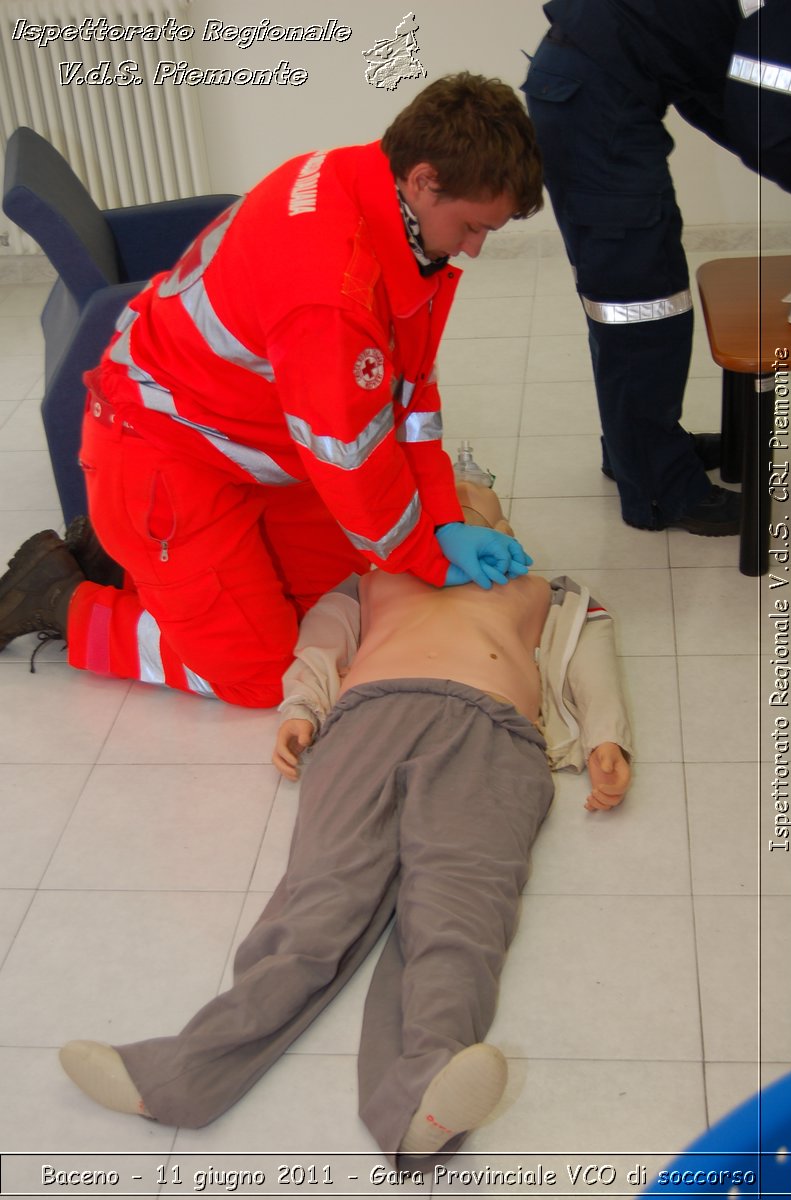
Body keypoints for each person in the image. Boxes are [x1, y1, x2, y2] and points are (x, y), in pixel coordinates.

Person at [57, 480, 632, 1169]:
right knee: (320, 897)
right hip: (368, 718)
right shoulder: (370, 578)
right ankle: (174, 1076)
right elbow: (321, 646)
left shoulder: (547, 590)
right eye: (446, 500)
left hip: (492, 732)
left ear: (504, 520)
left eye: (476, 500)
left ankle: (426, 1091)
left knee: (461, 906)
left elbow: (592, 659)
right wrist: (300, 708)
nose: (463, 506)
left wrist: (607, 737)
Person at [0, 72, 542, 706]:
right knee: (260, 675)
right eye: (474, 227)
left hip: (243, 445)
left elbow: (409, 399)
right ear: (423, 179)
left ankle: (140, 563)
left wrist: (443, 519)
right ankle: (63, 599)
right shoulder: (332, 292)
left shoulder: (376, 197)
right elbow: (352, 459)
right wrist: (425, 548)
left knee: (348, 584)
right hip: (161, 457)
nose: (474, 249)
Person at [521, 0, 791, 537]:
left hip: (593, 88)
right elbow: (754, 113)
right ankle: (658, 490)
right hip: (596, 106)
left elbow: (730, 98)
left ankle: (640, 449)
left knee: (639, 295)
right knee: (641, 307)